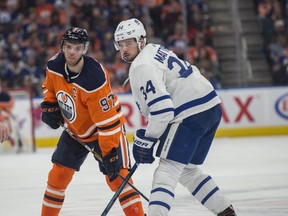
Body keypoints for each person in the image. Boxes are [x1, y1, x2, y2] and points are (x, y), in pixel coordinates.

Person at [114, 18, 237, 216]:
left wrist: (148, 139)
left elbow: (163, 110)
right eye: (120, 44)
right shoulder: (154, 49)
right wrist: (150, 137)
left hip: (191, 113)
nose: (124, 49)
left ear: (141, 41)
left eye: (129, 43)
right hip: (211, 107)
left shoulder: (141, 66)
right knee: (187, 169)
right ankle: (224, 210)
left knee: (167, 170)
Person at [40, 27, 145, 216]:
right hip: (75, 131)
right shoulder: (53, 65)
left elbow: (107, 123)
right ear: (63, 46)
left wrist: (109, 153)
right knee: (57, 176)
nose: (72, 52)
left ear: (85, 49)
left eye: (78, 48)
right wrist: (49, 104)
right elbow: (49, 88)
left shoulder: (94, 77)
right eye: (69, 47)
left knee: (118, 179)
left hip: (105, 132)